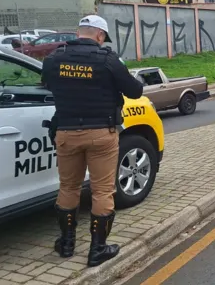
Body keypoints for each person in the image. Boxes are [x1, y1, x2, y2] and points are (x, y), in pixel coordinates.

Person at [41, 15, 144, 267]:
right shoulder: (108, 59)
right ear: (100, 35)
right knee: (102, 190)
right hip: (101, 134)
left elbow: (46, 85)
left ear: (79, 33)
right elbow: (135, 91)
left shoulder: (54, 59)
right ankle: (97, 250)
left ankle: (66, 244)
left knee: (68, 188)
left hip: (65, 132)